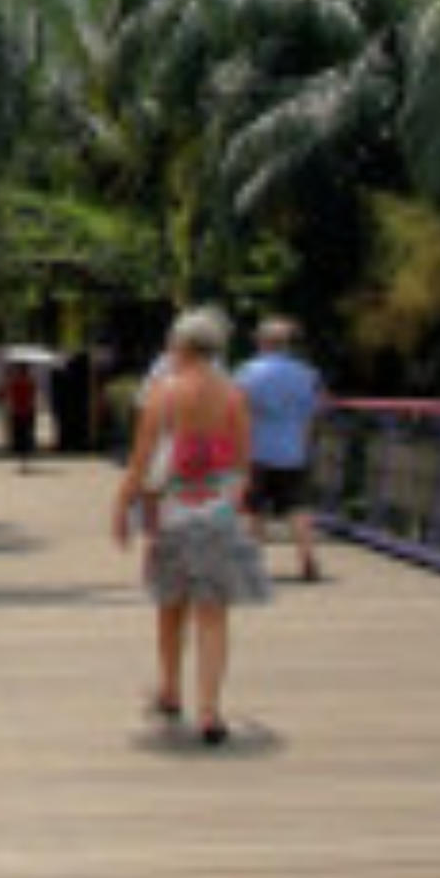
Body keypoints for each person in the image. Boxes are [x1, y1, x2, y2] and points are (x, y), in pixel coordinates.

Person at [112, 308, 268, 745]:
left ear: (180, 345)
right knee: (213, 614)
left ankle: (170, 690)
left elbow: (141, 460)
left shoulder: (163, 393)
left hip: (172, 513)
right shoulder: (234, 396)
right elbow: (243, 464)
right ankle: (210, 711)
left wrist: (123, 506)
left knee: (171, 607)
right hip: (218, 514)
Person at [235, 316, 328, 582]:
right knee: (298, 506)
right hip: (293, 449)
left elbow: (237, 410)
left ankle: (253, 564)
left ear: (263, 342)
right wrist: (305, 445)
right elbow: (313, 413)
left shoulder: (247, 372)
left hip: (256, 449)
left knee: (254, 508)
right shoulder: (308, 374)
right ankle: (307, 558)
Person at [2, 360, 42, 472]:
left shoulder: (14, 382)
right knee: (27, 433)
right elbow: (33, 396)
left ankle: (21, 455)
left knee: (18, 434)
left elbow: (7, 395)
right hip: (28, 411)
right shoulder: (30, 382)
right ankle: (26, 454)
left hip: (17, 411)